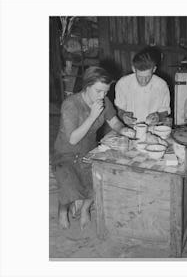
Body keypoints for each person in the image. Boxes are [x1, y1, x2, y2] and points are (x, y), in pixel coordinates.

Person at [52, 66, 135, 230]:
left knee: (96, 182)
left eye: (105, 91)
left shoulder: (104, 101)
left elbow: (114, 122)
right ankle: (62, 212)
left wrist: (124, 129)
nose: (102, 96)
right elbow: (73, 139)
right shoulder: (71, 104)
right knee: (69, 188)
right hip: (66, 153)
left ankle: (85, 210)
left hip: (89, 151)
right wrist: (92, 116)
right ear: (87, 86)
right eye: (98, 91)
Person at [114, 49, 171, 126]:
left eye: (148, 76)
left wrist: (158, 116)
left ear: (154, 69)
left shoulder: (161, 85)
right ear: (134, 69)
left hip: (153, 128)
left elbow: (165, 110)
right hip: (129, 128)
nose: (144, 81)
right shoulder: (123, 84)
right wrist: (123, 115)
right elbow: (120, 109)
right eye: (140, 77)